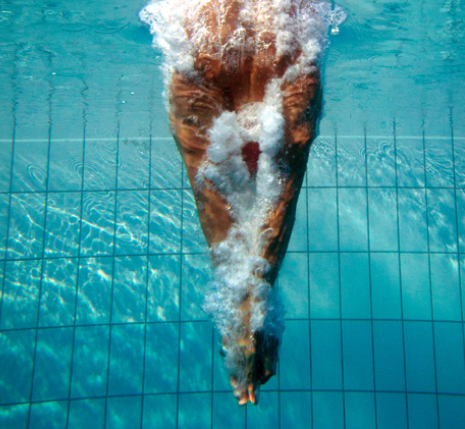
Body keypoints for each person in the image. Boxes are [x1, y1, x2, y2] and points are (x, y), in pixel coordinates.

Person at [141, 0, 343, 405]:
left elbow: (228, 202)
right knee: (279, 179)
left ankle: (245, 311)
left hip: (199, 26)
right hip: (287, 25)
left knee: (215, 184)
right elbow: (277, 198)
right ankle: (249, 308)